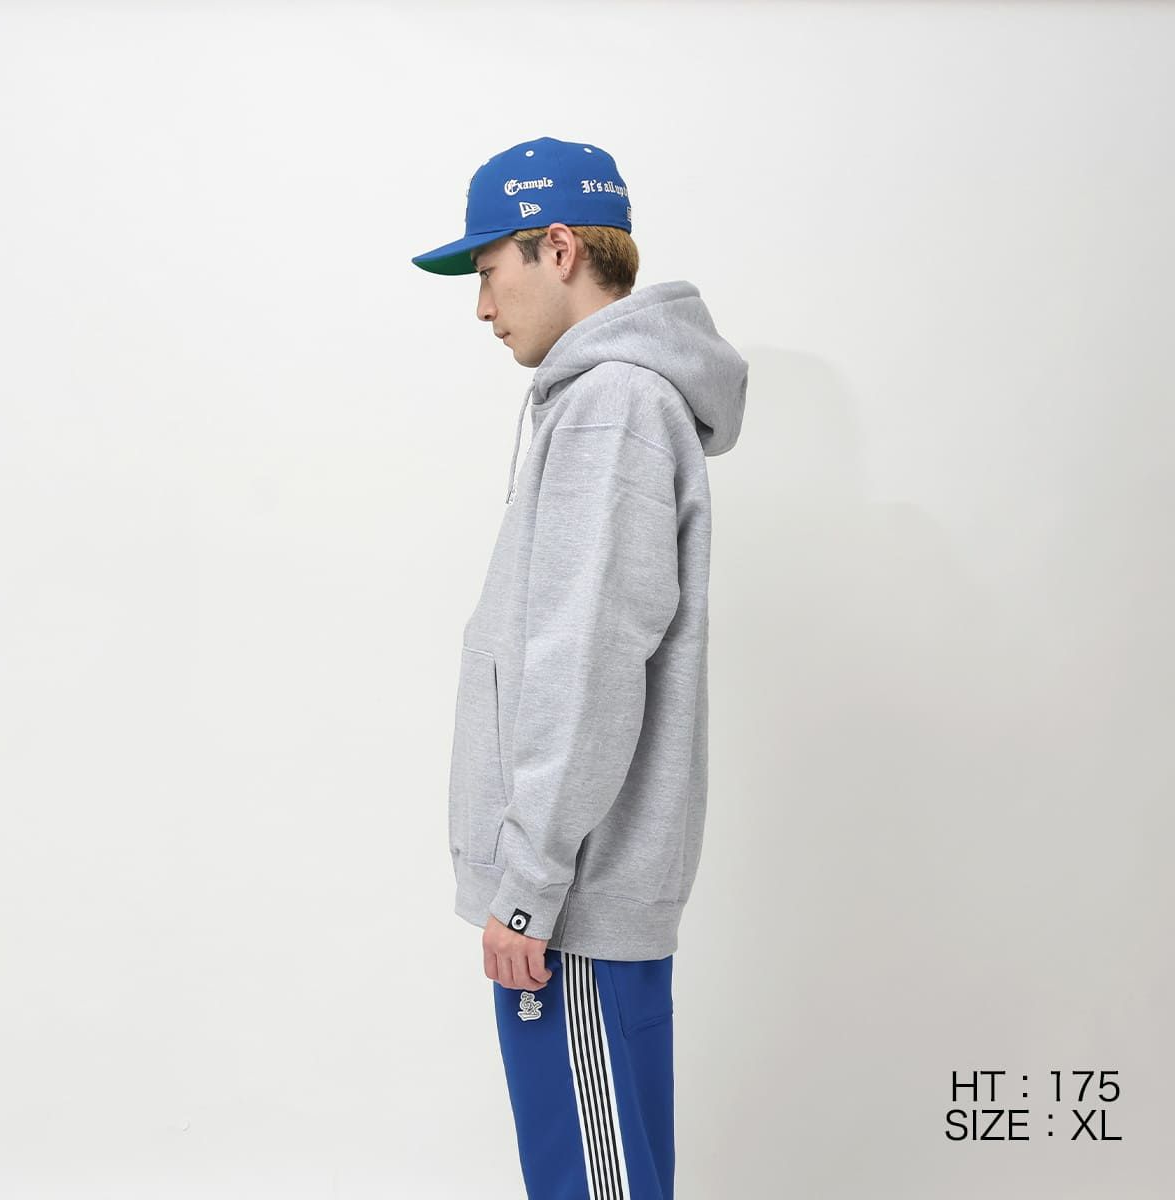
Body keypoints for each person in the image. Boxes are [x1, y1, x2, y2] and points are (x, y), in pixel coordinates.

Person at [412, 135, 748, 1200]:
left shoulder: (611, 406)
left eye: (489, 270)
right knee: (611, 1172)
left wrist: (530, 887)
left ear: (558, 248)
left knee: (593, 1183)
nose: (482, 307)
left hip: (572, 904)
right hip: (578, 892)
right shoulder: (608, 401)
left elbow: (587, 660)